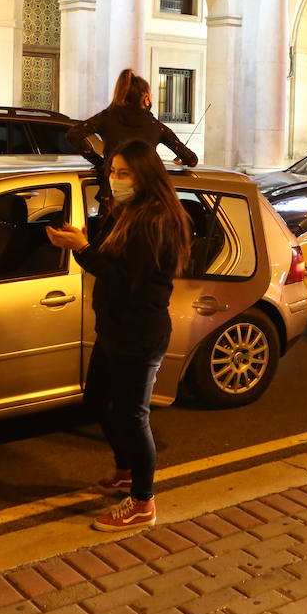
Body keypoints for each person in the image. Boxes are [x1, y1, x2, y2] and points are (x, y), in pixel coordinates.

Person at [45, 140, 192, 532]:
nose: (115, 179)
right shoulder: (128, 211)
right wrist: (79, 243)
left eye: (124, 173)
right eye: (113, 171)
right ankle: (126, 470)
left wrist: (84, 249)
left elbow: (129, 281)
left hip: (139, 332)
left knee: (132, 416)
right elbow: (110, 261)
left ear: (145, 175)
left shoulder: (156, 220)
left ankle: (143, 501)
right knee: (97, 400)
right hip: (113, 327)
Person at [68, 69, 199, 171]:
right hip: (145, 195)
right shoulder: (156, 126)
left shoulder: (106, 117)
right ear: (146, 98)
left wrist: (101, 163)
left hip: (112, 196)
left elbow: (73, 134)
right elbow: (192, 160)